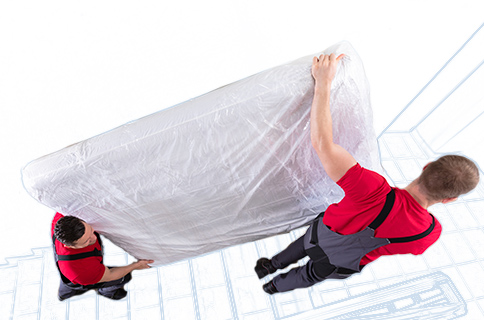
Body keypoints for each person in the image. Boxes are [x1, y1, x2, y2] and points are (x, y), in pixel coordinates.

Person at [254, 53, 480, 294]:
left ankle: (268, 267)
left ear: (426, 166)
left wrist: (323, 83)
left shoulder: (373, 189)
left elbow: (323, 144)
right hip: (339, 264)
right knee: (308, 275)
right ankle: (272, 287)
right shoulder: (429, 233)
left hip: (320, 236)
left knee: (301, 246)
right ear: (449, 199)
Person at [51, 212, 154, 301]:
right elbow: (110, 274)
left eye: (91, 231)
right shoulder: (82, 271)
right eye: (87, 241)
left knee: (68, 282)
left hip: (72, 268)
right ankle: (107, 292)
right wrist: (135, 266)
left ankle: (64, 293)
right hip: (79, 276)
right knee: (124, 277)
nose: (94, 237)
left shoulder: (62, 217)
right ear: (70, 245)